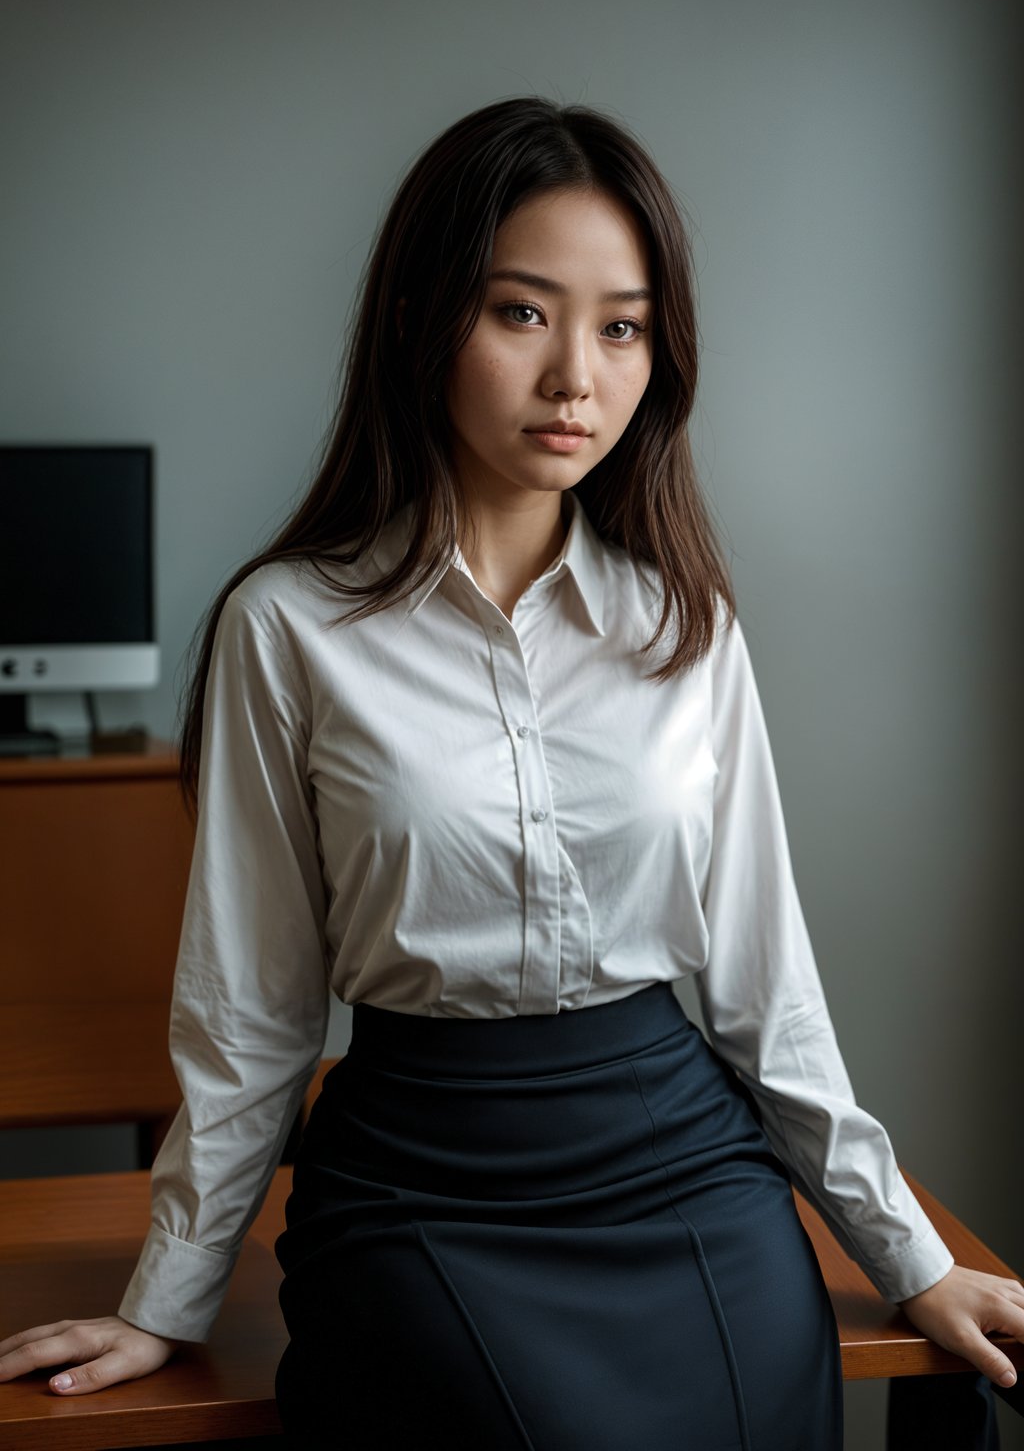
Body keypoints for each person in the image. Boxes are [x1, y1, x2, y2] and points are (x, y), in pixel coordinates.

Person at [0, 98, 1021, 1449]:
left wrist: (908, 1253)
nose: (576, 380)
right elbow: (252, 1005)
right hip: (424, 1179)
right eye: (523, 313)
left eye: (623, 326)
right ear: (426, 317)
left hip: (681, 1161)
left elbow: (766, 990)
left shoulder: (687, 625)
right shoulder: (289, 628)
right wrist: (171, 1294)